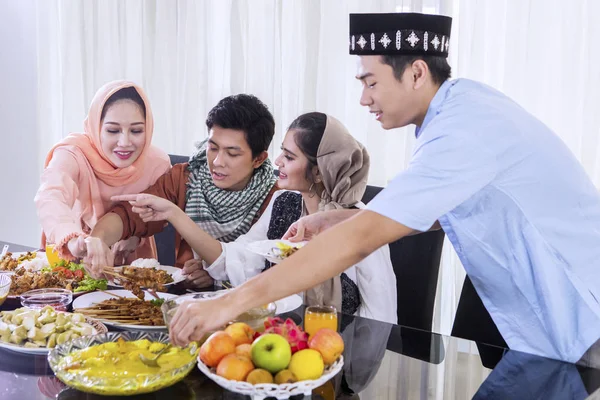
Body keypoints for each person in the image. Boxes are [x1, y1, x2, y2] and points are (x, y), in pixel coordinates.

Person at [166, 12, 600, 365]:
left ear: (415, 73)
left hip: (579, 316)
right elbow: (442, 211)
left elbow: (358, 244)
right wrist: (337, 217)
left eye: (370, 82)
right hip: (544, 321)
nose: (363, 99)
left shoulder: (463, 129)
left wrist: (228, 304)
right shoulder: (456, 113)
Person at [113, 112, 397, 323]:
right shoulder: (282, 202)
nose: (278, 162)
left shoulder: (363, 222)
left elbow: (380, 317)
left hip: (338, 356)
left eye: (289, 156)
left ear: (320, 170)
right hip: (276, 343)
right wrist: (173, 213)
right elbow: (236, 260)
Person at [81, 94, 279, 288]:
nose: (217, 162)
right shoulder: (187, 178)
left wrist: (217, 276)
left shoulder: (277, 198)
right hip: (184, 298)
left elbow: (266, 268)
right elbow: (129, 216)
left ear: (259, 159)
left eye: (232, 153)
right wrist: (97, 240)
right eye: (213, 148)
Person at [34, 80, 171, 263]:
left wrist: (135, 237)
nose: (124, 142)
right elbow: (50, 196)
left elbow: (160, 216)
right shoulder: (73, 154)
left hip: (130, 265)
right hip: (74, 259)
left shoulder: (157, 163)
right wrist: (74, 240)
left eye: (136, 131)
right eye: (113, 130)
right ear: (96, 127)